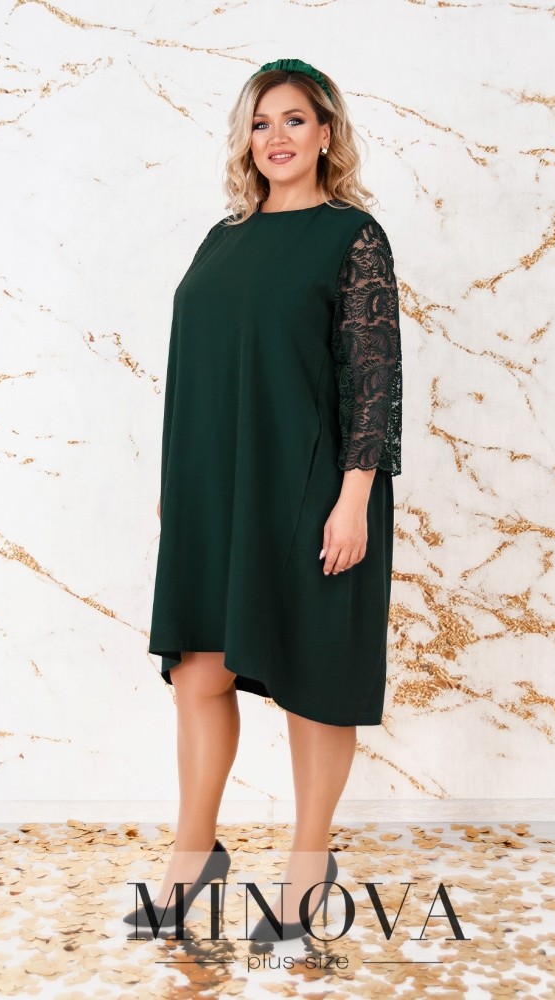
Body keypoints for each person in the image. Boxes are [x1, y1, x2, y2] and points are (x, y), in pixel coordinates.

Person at [125, 57, 403, 943]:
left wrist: (354, 498)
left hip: (311, 489)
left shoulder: (352, 236)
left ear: (327, 132)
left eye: (293, 120)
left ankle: (306, 869)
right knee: (197, 672)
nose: (275, 137)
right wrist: (176, 487)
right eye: (259, 123)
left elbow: (375, 379)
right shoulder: (222, 238)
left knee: (314, 681)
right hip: (212, 489)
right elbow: (195, 370)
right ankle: (193, 853)